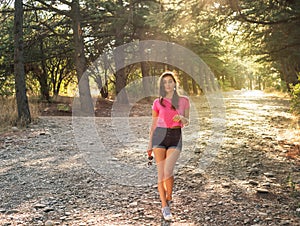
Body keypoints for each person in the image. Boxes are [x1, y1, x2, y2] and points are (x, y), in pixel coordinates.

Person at [148, 71, 190, 221]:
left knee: (168, 171)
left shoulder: (184, 100)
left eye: (170, 81)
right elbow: (153, 126)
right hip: (159, 136)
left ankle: (169, 196)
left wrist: (182, 118)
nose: (167, 84)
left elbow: (187, 122)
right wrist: (149, 145)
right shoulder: (157, 102)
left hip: (175, 136)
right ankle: (165, 206)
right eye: (164, 82)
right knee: (161, 173)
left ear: (174, 83)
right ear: (162, 85)